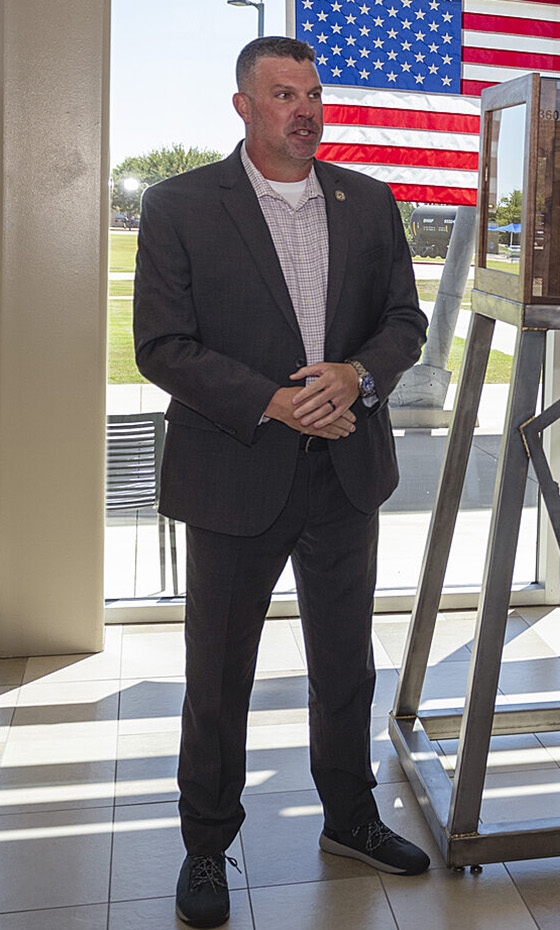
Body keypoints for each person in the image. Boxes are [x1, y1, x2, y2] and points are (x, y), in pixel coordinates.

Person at [132, 36, 432, 928]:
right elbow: (163, 346)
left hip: (345, 471)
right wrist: (274, 400)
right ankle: (206, 844)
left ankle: (349, 818)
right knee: (219, 672)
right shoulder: (181, 205)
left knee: (345, 662)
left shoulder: (370, 203)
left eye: (312, 93)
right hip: (234, 475)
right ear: (243, 107)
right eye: (282, 95)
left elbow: (403, 321)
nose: (303, 110)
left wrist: (356, 377)